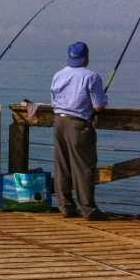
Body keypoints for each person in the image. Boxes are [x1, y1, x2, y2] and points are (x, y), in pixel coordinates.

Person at [51, 42, 108, 220]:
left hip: (59, 122)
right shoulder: (92, 77)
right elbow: (98, 106)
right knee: (83, 167)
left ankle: (65, 206)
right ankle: (88, 208)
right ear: (87, 57)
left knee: (62, 165)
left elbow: (54, 100)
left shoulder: (59, 74)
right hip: (78, 124)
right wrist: (103, 98)